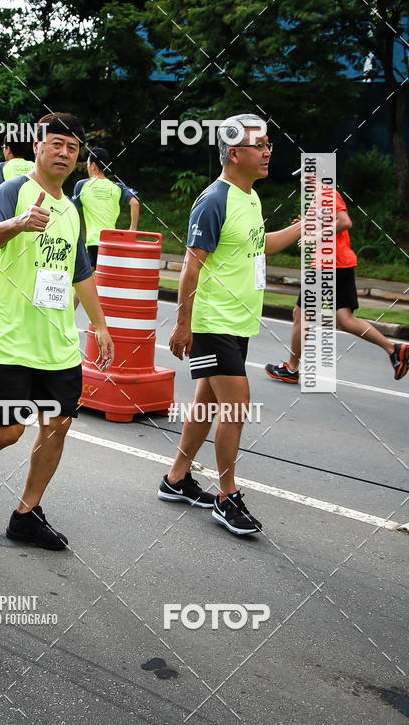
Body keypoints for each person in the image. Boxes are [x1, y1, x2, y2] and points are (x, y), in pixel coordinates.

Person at [0, 113, 114, 550]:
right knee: (7, 429)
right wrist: (17, 223)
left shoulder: (71, 209)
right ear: (37, 146)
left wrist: (101, 325)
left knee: (57, 426)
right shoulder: (14, 191)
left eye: (72, 148)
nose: (64, 153)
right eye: (56, 144)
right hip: (8, 339)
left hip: (58, 345)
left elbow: (80, 271)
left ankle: (27, 514)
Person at [161, 114, 301, 536]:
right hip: (212, 320)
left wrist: (300, 227)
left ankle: (176, 479)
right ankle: (226, 497)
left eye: (269, 144)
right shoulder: (213, 199)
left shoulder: (250, 197)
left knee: (206, 402)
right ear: (234, 153)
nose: (267, 151)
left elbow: (260, 246)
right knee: (236, 405)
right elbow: (190, 268)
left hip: (238, 322)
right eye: (259, 145)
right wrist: (183, 324)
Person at [265, 186, 409, 383]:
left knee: (301, 313)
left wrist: (316, 235)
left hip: (327, 264)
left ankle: (291, 368)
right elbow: (329, 226)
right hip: (339, 263)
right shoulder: (320, 195)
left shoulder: (325, 192)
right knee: (344, 320)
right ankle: (394, 349)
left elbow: (344, 222)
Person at [71, 146, 139, 270]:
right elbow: (135, 203)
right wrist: (132, 230)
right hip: (112, 242)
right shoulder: (117, 187)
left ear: (93, 165)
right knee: (103, 276)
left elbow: (71, 210)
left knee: (84, 276)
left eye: (87, 164)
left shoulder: (82, 185)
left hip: (93, 241)